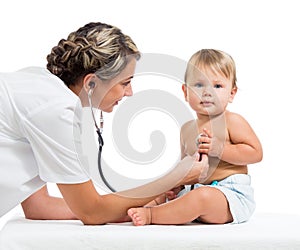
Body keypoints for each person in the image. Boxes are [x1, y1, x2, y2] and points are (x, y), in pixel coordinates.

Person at [0, 22, 207, 225]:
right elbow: (92, 212)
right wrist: (175, 177)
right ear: (90, 83)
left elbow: (39, 206)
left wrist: (136, 208)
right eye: (125, 83)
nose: (130, 92)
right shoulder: (55, 110)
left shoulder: (39, 86)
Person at [127, 49, 263, 226]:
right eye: (199, 85)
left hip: (229, 195)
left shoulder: (232, 121)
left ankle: (152, 216)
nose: (207, 92)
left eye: (217, 86)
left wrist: (220, 149)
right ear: (185, 92)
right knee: (161, 191)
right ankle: (124, 213)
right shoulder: (186, 129)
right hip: (194, 190)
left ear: (232, 93)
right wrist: (177, 185)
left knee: (202, 197)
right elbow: (185, 167)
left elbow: (256, 153)